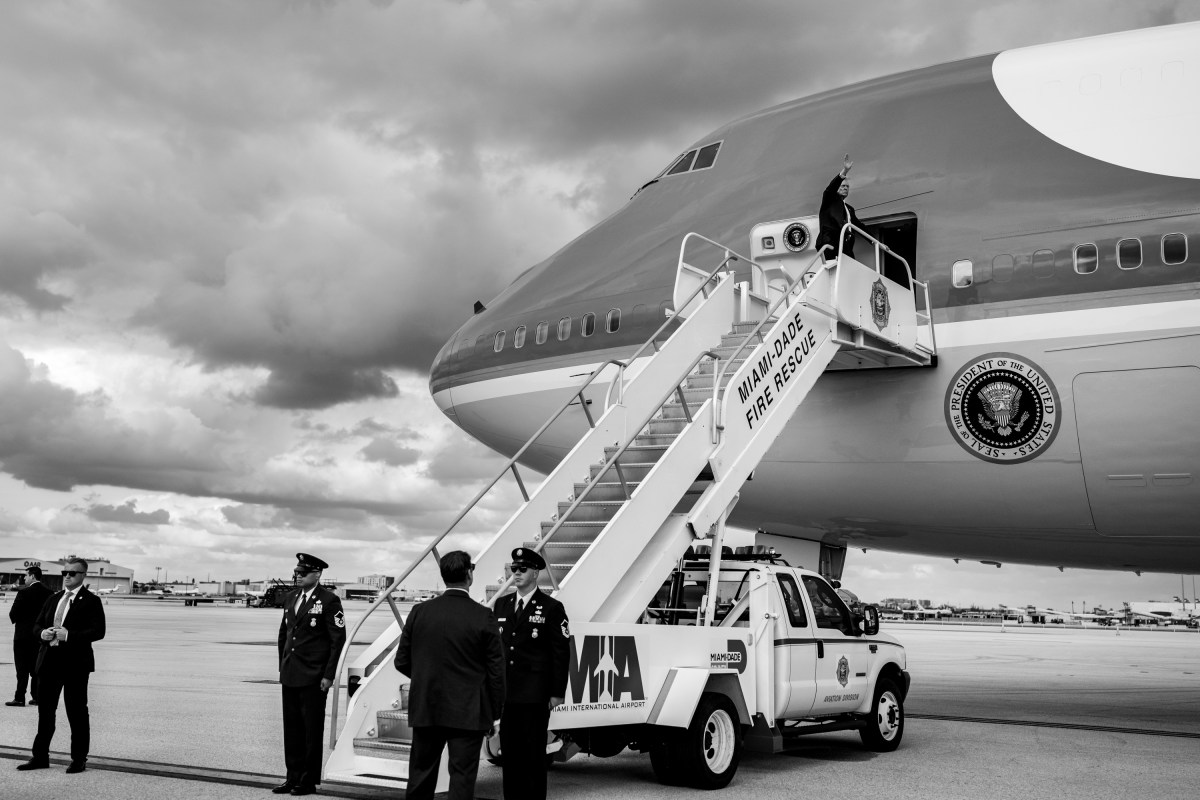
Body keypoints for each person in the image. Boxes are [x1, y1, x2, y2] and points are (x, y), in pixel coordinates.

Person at [395, 550, 505, 800]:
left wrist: (426, 678)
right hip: (467, 711)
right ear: (469, 574)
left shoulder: (419, 612)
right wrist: (495, 715)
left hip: (427, 707)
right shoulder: (482, 615)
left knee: (421, 774)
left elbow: (401, 661)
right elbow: (496, 671)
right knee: (461, 777)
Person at [492, 548, 570, 800]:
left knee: (534, 756)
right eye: (513, 569)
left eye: (522, 569)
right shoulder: (502, 605)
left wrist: (557, 692)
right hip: (508, 696)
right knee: (510, 755)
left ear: (536, 573)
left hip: (535, 696)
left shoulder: (552, 607)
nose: (516, 573)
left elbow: (560, 653)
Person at [17, 558, 106, 773]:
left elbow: (98, 631)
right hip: (49, 663)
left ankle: (79, 759)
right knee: (45, 713)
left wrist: (70, 635)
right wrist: (42, 633)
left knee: (77, 713)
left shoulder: (91, 601)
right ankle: (40, 757)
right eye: (65, 572)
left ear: (83, 575)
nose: (67, 576)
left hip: (75, 666)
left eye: (72, 573)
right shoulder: (53, 598)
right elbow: (37, 624)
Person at [274, 553, 347, 796]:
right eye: (297, 571)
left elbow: (338, 640)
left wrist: (329, 675)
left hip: (314, 676)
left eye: (302, 572)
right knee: (292, 730)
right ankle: (292, 777)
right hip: (291, 673)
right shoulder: (291, 597)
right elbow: (285, 635)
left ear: (317, 574)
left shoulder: (329, 600)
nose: (297, 575)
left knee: (311, 730)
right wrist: (282, 666)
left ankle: (307, 781)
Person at [8, 565, 52, 707]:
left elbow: (13, 614)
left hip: (22, 636)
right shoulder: (50, 593)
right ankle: (37, 697)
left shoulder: (23, 593)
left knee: (22, 669)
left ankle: (20, 698)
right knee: (36, 669)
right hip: (40, 636)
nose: (24, 578)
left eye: (26, 576)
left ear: (32, 576)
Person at [815, 153, 867, 260]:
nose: (845, 188)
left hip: (845, 247)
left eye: (847, 187)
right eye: (843, 186)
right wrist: (844, 172)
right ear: (837, 188)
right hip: (831, 245)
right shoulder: (829, 200)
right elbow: (830, 189)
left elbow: (860, 226)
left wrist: (876, 242)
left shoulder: (849, 209)